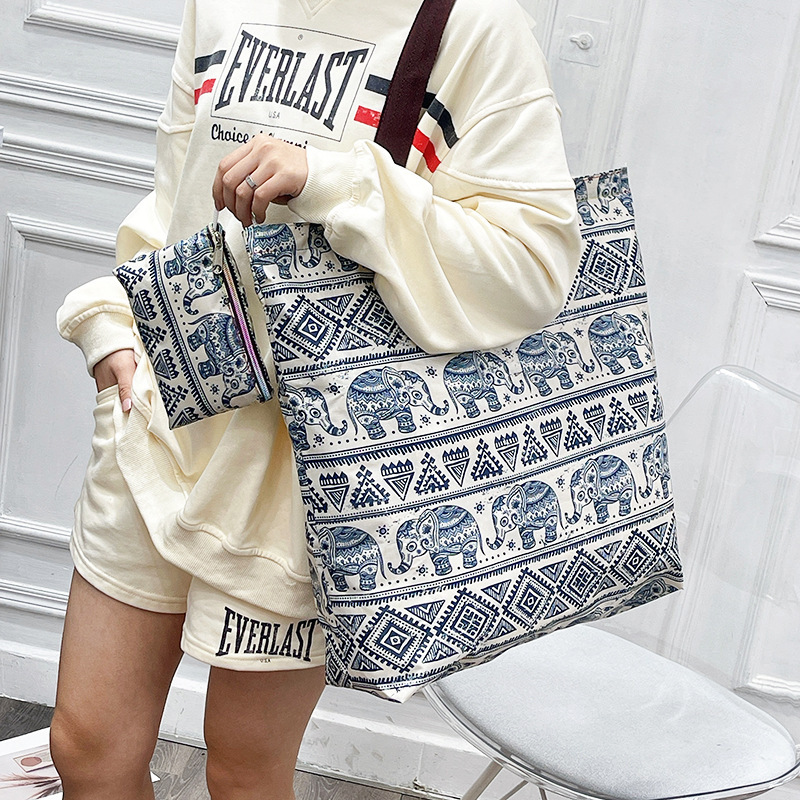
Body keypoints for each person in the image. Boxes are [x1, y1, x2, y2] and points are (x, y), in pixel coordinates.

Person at [50, 0, 581, 796]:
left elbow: (533, 268)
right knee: (86, 746)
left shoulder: (475, 25)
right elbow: (175, 198)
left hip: (304, 474)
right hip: (158, 414)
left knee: (244, 772)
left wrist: (334, 180)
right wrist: (109, 327)